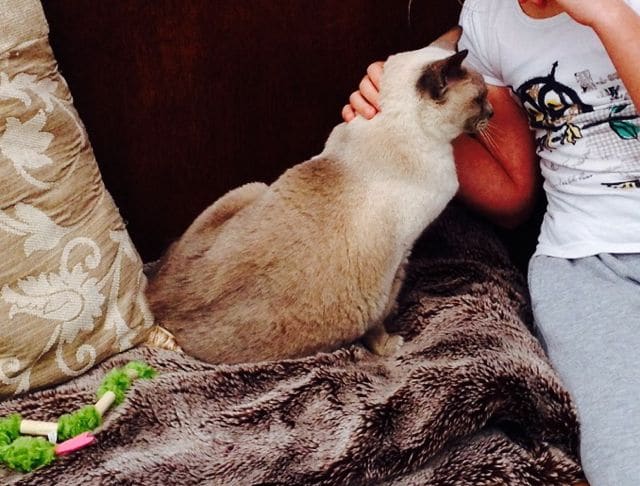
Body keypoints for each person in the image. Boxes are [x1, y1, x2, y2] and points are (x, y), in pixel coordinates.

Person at [342, 0, 640, 484]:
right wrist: (408, 115)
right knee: (625, 458)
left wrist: (609, 16)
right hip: (585, 263)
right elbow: (512, 196)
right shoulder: (488, 20)